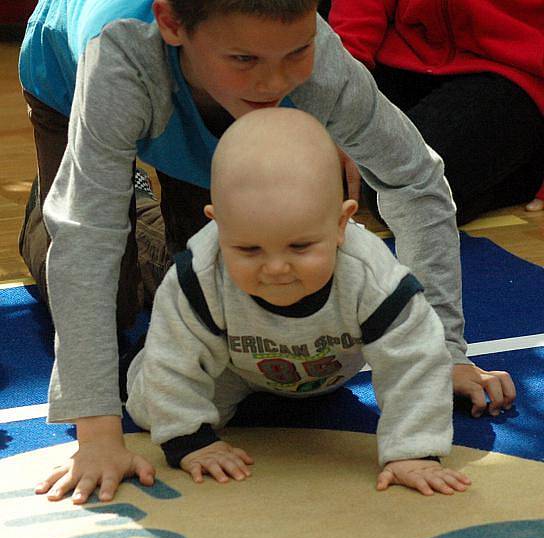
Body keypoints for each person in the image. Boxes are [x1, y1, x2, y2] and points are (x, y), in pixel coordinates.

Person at [18, 0, 509, 505]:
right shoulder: (121, 61)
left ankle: (140, 178)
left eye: (297, 52)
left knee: (225, 267)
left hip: (219, 112)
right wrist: (97, 434)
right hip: (68, 85)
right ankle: (101, 184)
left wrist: (447, 349)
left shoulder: (315, 64)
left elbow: (415, 180)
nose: (275, 83)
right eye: (245, 60)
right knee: (118, 287)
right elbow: (86, 233)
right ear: (170, 23)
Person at [126, 107, 472, 496]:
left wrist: (413, 451)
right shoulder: (200, 275)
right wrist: (190, 440)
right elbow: (173, 358)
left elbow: (414, 359)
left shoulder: (372, 276)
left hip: (319, 372)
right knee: (147, 408)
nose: (276, 268)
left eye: (300, 246)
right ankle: (137, 199)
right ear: (217, 225)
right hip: (227, 364)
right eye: (249, 249)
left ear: (342, 225)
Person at [327, 0, 544, 223]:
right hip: (406, 48)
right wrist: (342, 99)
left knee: (397, 196)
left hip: (513, 72)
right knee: (313, 164)